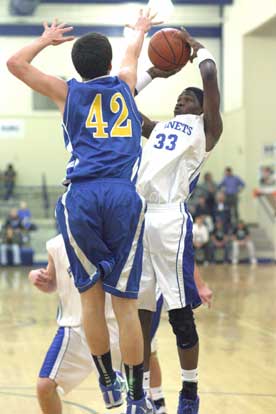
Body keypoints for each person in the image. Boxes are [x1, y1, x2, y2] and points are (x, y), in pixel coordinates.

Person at [7, 11, 160, 413]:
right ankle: (136, 398)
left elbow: (14, 64)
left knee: (91, 301)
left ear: (77, 66)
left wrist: (45, 39)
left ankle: (106, 381)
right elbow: (132, 54)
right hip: (124, 197)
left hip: (81, 198)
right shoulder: (126, 83)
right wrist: (140, 30)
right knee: (125, 307)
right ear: (109, 65)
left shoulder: (66, 92)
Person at [136, 27, 222, 414]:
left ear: (201, 109)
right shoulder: (157, 130)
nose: (179, 102)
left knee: (179, 314)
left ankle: (190, 392)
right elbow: (122, 103)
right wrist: (154, 72)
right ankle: (138, 392)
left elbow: (208, 76)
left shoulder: (207, 129)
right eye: (177, 99)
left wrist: (191, 43)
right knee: (139, 309)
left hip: (171, 218)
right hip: (141, 218)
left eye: (186, 100)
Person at [29, 234, 123, 414]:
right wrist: (37, 277)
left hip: (112, 327)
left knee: (129, 397)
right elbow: (51, 282)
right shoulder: (56, 245)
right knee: (45, 387)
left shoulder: (111, 234)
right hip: (74, 329)